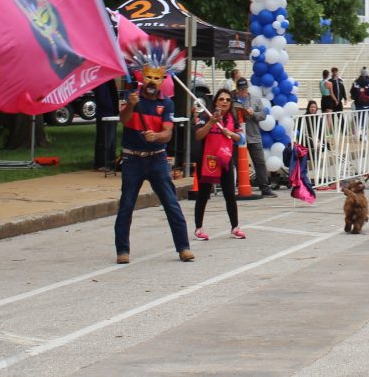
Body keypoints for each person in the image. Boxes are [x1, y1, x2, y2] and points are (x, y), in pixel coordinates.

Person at [114, 39, 194, 264]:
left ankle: (183, 247)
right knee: (126, 204)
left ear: (163, 79)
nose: (152, 81)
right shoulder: (132, 97)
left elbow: (167, 133)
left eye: (157, 78)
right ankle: (122, 250)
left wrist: (156, 136)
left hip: (157, 159)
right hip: (132, 159)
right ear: (142, 76)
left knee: (171, 202)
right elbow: (123, 120)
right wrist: (131, 105)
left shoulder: (166, 103)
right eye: (148, 76)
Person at [193, 90, 246, 240]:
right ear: (216, 101)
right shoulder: (206, 115)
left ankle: (235, 227)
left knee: (230, 194)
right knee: (203, 195)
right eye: (221, 99)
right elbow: (198, 135)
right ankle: (198, 228)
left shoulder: (232, 117)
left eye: (228, 100)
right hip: (207, 160)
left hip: (225, 159)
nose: (224, 102)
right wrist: (211, 123)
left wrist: (230, 133)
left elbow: (241, 138)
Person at [232, 78, 277, 197]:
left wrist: (253, 114)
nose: (242, 92)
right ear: (237, 90)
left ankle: (265, 187)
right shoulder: (233, 101)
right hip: (238, 137)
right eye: (240, 90)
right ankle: (239, 186)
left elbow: (263, 115)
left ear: (247, 89)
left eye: (244, 89)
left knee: (260, 162)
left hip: (253, 136)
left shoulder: (255, 100)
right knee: (237, 163)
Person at [93, 79, 120, 170]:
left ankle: (110, 161)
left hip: (111, 113)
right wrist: (111, 110)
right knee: (105, 140)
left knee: (111, 140)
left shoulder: (110, 81)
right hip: (106, 114)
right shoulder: (101, 81)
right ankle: (102, 163)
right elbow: (102, 98)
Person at [350, 68, 369, 136]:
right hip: (368, 103)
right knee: (365, 118)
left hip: (358, 103)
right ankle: (364, 133)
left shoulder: (356, 82)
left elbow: (352, 92)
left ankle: (357, 132)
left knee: (358, 117)